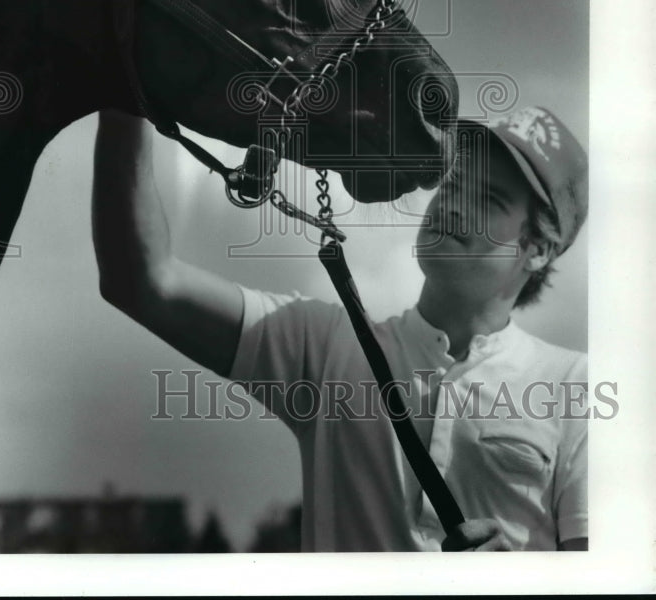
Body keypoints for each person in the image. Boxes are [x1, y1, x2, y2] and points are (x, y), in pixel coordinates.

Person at [92, 104, 588, 552]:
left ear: (538, 248)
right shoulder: (326, 345)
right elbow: (142, 279)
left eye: (489, 199)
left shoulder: (575, 387)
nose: (454, 204)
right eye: (455, 183)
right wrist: (123, 97)